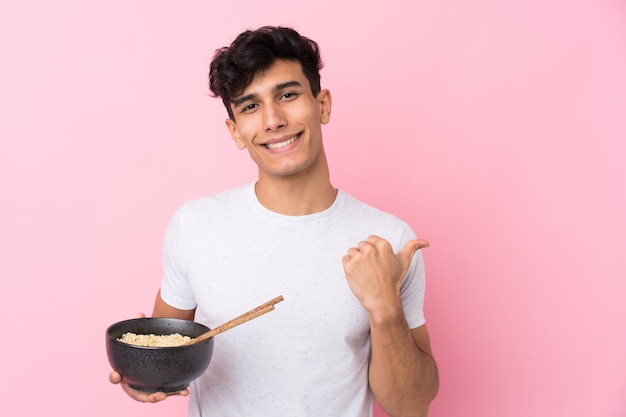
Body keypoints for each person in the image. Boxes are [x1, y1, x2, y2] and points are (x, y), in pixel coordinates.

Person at [109, 25, 439, 417]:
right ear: (235, 131)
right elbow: (168, 348)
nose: (272, 120)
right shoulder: (195, 225)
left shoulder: (388, 240)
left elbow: (411, 405)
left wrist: (385, 309)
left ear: (323, 105)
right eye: (250, 106)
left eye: (287, 95)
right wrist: (142, 374)